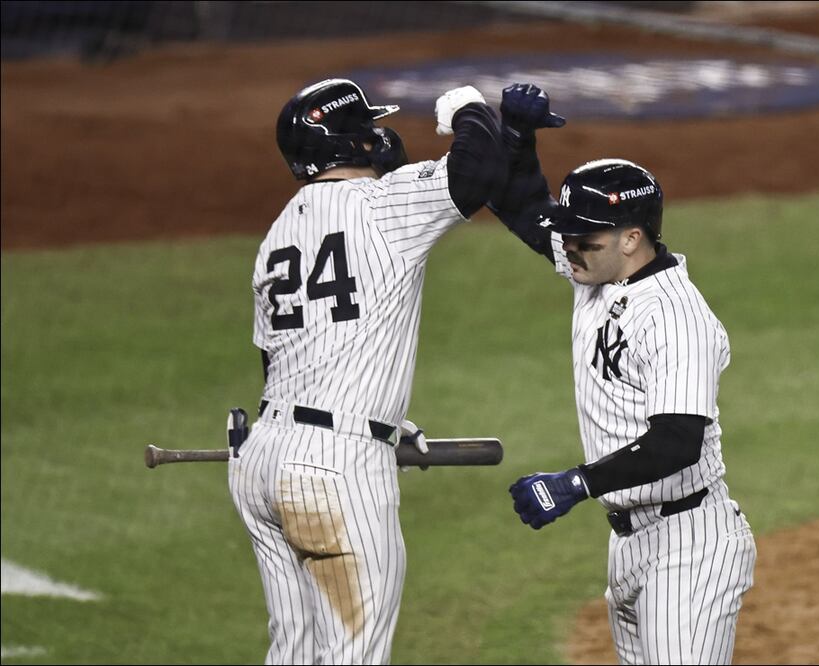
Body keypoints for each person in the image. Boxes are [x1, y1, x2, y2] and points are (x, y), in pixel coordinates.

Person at [228, 78, 506, 665]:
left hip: (262, 460)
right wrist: (469, 106)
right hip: (335, 472)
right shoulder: (384, 203)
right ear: (352, 140)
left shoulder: (278, 232)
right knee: (352, 654)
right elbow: (478, 169)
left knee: (294, 650)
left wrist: (379, 417)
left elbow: (274, 360)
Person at [491, 84, 756, 665]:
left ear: (631, 238)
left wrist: (576, 482)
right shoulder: (600, 274)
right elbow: (522, 208)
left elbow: (677, 441)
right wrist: (518, 139)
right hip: (629, 544)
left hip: (688, 546)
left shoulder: (677, 317)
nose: (566, 247)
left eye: (581, 237)